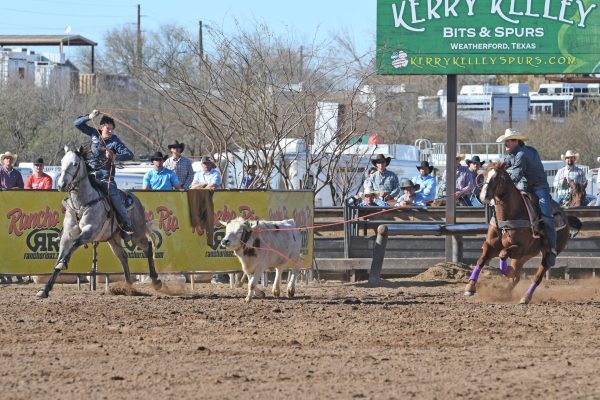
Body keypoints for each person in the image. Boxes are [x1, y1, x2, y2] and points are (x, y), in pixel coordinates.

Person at [496, 128, 557, 266]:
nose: (505, 144)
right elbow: (505, 166)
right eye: (505, 141)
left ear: (515, 141)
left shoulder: (521, 155)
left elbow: (516, 175)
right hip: (527, 186)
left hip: (538, 187)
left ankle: (551, 249)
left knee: (547, 215)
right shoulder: (515, 153)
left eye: (507, 141)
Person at [74, 110, 134, 234]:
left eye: (112, 129)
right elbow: (77, 124)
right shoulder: (94, 133)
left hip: (106, 178)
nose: (110, 131)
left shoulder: (115, 141)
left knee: (115, 197)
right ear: (101, 127)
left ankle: (127, 223)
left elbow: (129, 155)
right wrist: (89, 116)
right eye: (108, 128)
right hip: (89, 174)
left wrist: (114, 156)